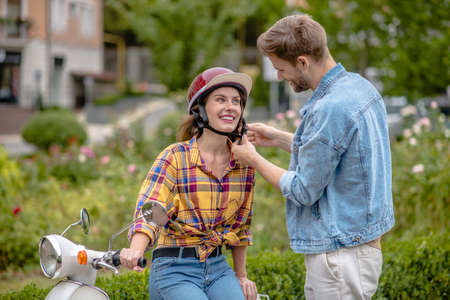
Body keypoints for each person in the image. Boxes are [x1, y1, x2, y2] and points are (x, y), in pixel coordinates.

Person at [232, 14, 394, 299]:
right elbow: (340, 153)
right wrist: (282, 139)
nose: (280, 76)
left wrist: (254, 160)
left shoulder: (329, 108)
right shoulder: (359, 88)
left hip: (339, 257)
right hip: (359, 247)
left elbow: (304, 189)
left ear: (303, 62)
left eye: (281, 69)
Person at [120, 67, 258, 300]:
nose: (231, 107)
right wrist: (136, 249)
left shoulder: (243, 163)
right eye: (220, 99)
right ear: (201, 109)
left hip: (217, 266)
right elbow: (152, 208)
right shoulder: (175, 157)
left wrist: (241, 276)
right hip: (174, 267)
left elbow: (241, 228)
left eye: (236, 101)